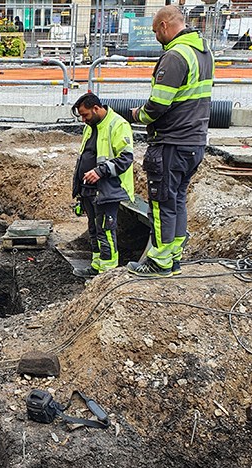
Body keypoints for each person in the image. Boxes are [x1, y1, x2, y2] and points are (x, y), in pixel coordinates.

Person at [128, 5, 213, 277]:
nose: (155, 37)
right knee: (176, 201)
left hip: (171, 142)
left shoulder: (175, 56)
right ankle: (173, 256)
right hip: (194, 142)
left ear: (164, 26)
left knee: (162, 202)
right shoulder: (202, 52)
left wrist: (138, 115)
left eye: (155, 31)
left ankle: (160, 262)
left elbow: (158, 104)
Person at [70, 93, 135, 278]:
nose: (83, 120)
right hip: (90, 189)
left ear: (96, 108)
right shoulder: (91, 126)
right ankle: (96, 266)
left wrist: (100, 171)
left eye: (85, 115)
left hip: (108, 189)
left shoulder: (118, 125)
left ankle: (107, 272)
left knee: (106, 229)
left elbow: (126, 158)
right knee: (94, 228)